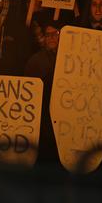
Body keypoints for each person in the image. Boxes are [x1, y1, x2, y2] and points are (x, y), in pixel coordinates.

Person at [25, 20, 63, 164]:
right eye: (48, 35)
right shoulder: (35, 61)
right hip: (44, 122)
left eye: (56, 34)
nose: (52, 37)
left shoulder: (70, 59)